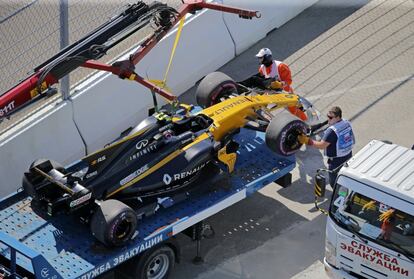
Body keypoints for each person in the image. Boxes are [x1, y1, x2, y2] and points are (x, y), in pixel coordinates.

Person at [298, 106, 355, 186]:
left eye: (331, 117)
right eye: (328, 116)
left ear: (338, 117)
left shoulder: (332, 131)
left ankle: (338, 196)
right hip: (348, 155)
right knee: (344, 176)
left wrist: (307, 140)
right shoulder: (346, 122)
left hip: (336, 161)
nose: (328, 119)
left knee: (334, 182)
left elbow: (322, 145)